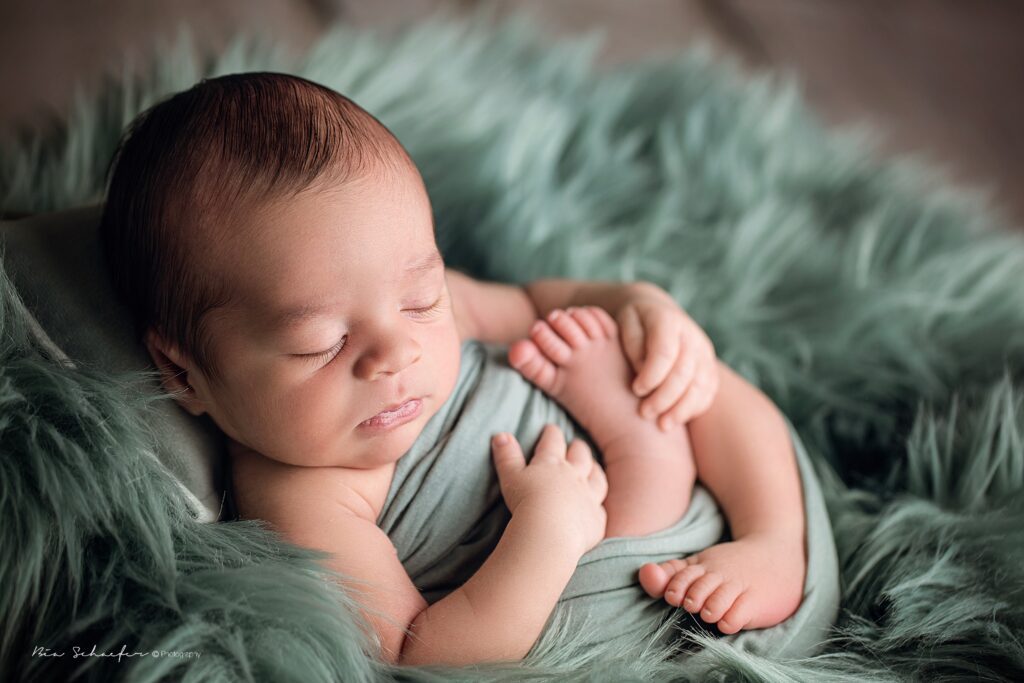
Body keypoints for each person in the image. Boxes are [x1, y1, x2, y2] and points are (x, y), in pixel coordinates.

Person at [99, 71, 806, 666]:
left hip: (681, 501)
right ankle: (651, 462)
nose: (397, 351)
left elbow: (534, 302)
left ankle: (773, 536)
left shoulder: (429, 305)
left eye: (421, 298)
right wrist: (550, 529)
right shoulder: (302, 497)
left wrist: (638, 304)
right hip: (607, 586)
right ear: (184, 372)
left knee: (688, 373)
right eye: (321, 343)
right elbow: (421, 653)